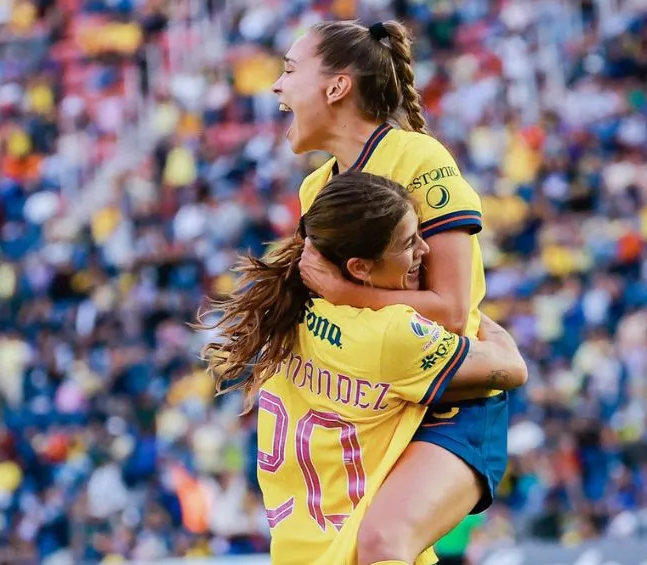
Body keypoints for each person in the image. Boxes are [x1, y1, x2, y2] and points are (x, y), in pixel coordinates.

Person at [196, 172, 527, 565]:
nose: (424, 249)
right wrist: (462, 307)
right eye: (408, 243)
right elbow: (511, 367)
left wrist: (349, 294)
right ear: (359, 268)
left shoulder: (293, 309)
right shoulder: (392, 334)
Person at [272, 19, 505, 565]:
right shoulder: (316, 188)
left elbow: (448, 311)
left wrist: (354, 297)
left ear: (336, 87)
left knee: (381, 544)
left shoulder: (420, 161)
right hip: (378, 405)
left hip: (452, 399)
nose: (277, 87)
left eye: (288, 70)